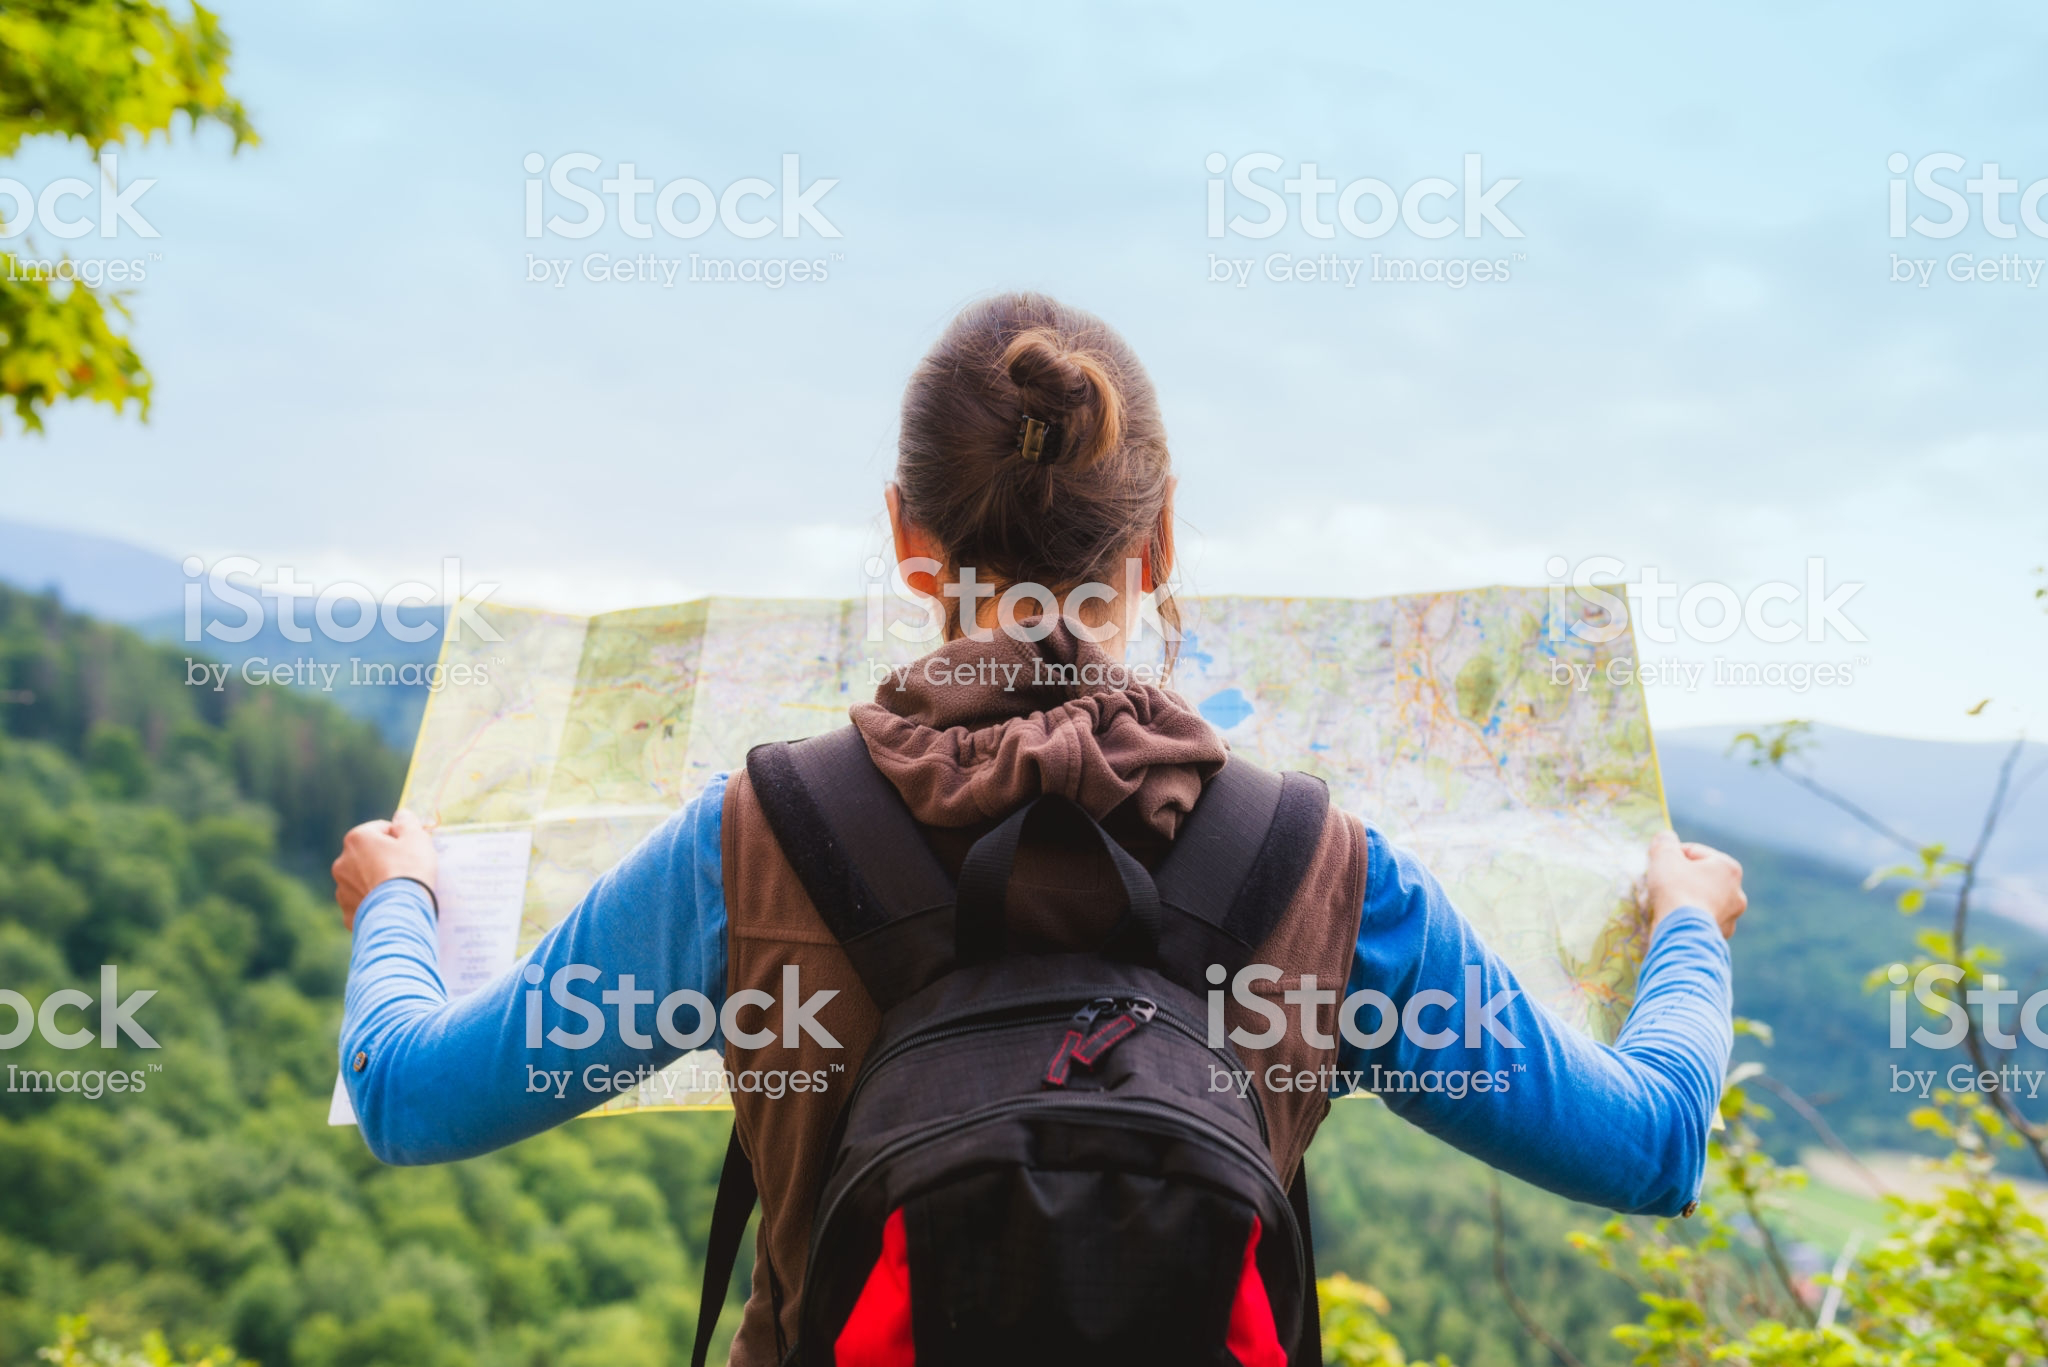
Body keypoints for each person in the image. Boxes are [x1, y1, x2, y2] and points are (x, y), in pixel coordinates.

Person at [332, 292, 1744, 1367]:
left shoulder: (758, 841)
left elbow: (411, 1093)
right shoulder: (1322, 871)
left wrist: (398, 897)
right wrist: (1684, 921)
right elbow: (1651, 1143)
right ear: (1162, 545)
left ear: (905, 538)